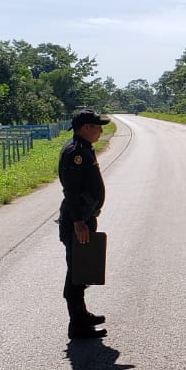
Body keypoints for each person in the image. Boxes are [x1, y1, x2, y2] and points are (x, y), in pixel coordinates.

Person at [58, 108, 110, 339]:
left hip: (84, 217)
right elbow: (71, 191)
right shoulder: (75, 153)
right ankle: (77, 325)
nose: (100, 131)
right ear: (86, 128)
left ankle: (81, 315)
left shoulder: (84, 147)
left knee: (83, 269)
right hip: (77, 220)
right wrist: (78, 222)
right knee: (76, 272)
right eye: (97, 127)